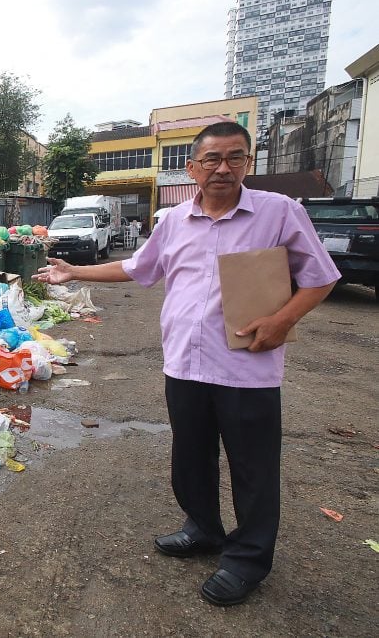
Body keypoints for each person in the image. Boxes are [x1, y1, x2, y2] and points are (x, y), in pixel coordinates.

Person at [35, 121, 339, 607]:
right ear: (192, 168)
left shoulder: (279, 213)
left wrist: (282, 320)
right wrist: (74, 270)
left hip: (247, 366)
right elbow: (137, 268)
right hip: (184, 364)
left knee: (253, 469)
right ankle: (203, 529)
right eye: (212, 159)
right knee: (191, 458)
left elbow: (321, 278)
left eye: (234, 158)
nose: (223, 168)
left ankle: (247, 560)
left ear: (248, 163)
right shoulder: (174, 221)